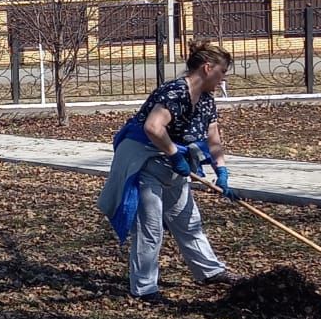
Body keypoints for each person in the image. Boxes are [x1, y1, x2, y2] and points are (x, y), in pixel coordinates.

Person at [98, 40, 240, 303]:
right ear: (208, 68)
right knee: (150, 228)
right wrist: (175, 155)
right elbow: (153, 127)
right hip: (145, 165)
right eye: (222, 73)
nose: (223, 80)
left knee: (188, 220)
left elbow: (213, 138)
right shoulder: (174, 92)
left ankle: (210, 271)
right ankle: (143, 289)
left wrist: (222, 171)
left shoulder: (207, 100)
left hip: (174, 168)